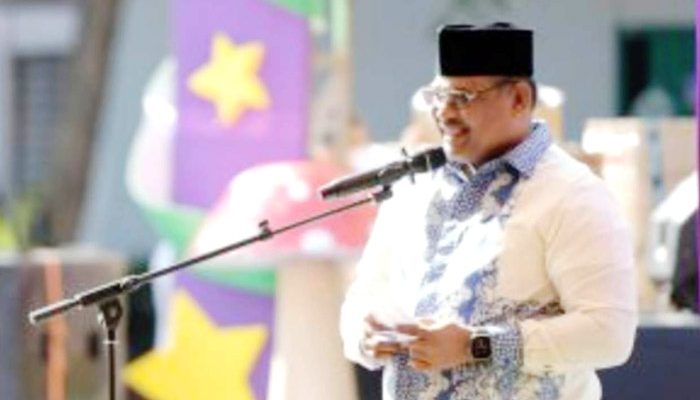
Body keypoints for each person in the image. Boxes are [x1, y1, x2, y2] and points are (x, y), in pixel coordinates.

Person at [339, 22, 637, 399]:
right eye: (437, 96)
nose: (444, 112)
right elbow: (363, 299)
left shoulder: (572, 194)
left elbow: (608, 333)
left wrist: (475, 345)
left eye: (462, 97)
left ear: (519, 99)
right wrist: (366, 336)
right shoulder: (415, 189)